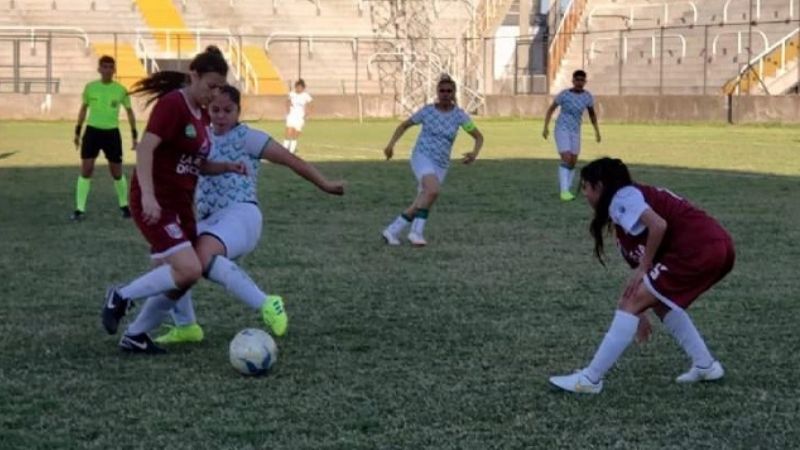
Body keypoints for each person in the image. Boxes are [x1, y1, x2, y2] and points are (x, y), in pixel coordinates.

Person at [123, 86, 342, 345]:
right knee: (175, 264)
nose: (221, 116)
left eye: (228, 110)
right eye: (215, 109)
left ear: (239, 111)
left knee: (201, 257)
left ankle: (267, 303)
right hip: (208, 218)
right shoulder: (199, 137)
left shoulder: (247, 137)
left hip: (241, 213)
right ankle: (186, 326)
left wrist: (325, 184)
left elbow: (290, 160)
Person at [99, 46, 258, 354]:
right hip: (159, 199)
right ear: (193, 76)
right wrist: (147, 195)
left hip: (183, 204)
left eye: (219, 89)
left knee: (182, 276)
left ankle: (135, 335)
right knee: (188, 269)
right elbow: (145, 150)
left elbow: (196, 163)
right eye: (210, 86)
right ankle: (120, 296)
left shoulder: (200, 115)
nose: (214, 95)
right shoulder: (173, 105)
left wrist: (227, 166)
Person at [549, 157, 735, 394]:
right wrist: (642, 306)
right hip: (718, 246)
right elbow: (643, 275)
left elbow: (658, 225)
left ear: (601, 186)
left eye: (586, 186)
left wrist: (643, 274)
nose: (584, 193)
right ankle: (705, 365)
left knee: (632, 301)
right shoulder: (625, 212)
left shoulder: (623, 197)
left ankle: (590, 379)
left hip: (698, 248)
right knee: (655, 301)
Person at [381, 74, 484, 247]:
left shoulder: (460, 116)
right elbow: (404, 125)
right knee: (433, 190)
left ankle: (392, 230)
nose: (445, 94)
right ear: (437, 92)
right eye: (442, 90)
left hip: (441, 163)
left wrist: (474, 153)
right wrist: (391, 144)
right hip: (422, 156)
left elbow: (478, 137)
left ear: (454, 93)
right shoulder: (428, 111)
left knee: (424, 199)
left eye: (449, 91)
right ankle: (416, 232)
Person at [71, 55, 138, 220]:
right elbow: (83, 109)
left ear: (114, 70)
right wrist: (78, 132)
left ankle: (124, 206)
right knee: (86, 170)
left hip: (112, 134)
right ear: (99, 69)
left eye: (110, 67)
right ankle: (80, 209)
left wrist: (134, 134)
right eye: (104, 67)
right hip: (92, 132)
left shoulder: (120, 90)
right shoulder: (90, 88)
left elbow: (129, 112)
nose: (108, 70)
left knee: (116, 173)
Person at [542, 70, 601, 202]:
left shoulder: (587, 97)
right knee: (566, 158)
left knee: (573, 161)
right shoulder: (564, 94)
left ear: (585, 82)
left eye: (582, 80)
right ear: (573, 81)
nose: (579, 82)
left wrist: (597, 131)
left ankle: (567, 187)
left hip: (575, 130)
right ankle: (564, 192)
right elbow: (551, 109)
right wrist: (545, 127)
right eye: (577, 80)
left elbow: (592, 114)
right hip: (562, 128)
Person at [283, 79, 312, 154]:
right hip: (292, 115)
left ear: (303, 88)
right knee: (288, 132)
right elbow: (287, 101)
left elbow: (311, 105)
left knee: (295, 134)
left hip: (300, 117)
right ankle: (284, 149)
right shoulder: (292, 94)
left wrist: (307, 114)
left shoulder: (306, 96)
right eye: (297, 87)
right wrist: (288, 110)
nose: (298, 89)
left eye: (300, 87)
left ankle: (291, 151)